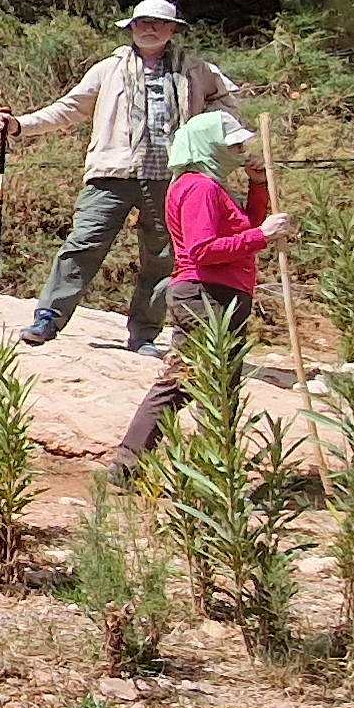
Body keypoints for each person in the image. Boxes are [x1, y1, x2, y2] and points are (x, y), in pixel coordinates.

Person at [0, 0, 247, 351]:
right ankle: (48, 319)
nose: (150, 28)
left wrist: (215, 139)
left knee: (162, 257)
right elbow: (71, 108)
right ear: (130, 28)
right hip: (112, 173)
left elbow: (227, 108)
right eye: (142, 22)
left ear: (173, 29)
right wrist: (22, 125)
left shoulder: (197, 70)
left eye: (159, 23)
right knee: (84, 243)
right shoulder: (108, 69)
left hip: (172, 177)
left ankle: (144, 334)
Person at [104, 112, 293, 479]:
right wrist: (263, 236)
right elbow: (204, 249)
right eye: (233, 144)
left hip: (221, 296)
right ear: (211, 145)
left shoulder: (212, 186)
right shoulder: (199, 188)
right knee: (188, 381)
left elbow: (244, 231)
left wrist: (257, 190)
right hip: (205, 295)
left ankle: (208, 467)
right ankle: (139, 464)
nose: (241, 150)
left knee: (214, 384)